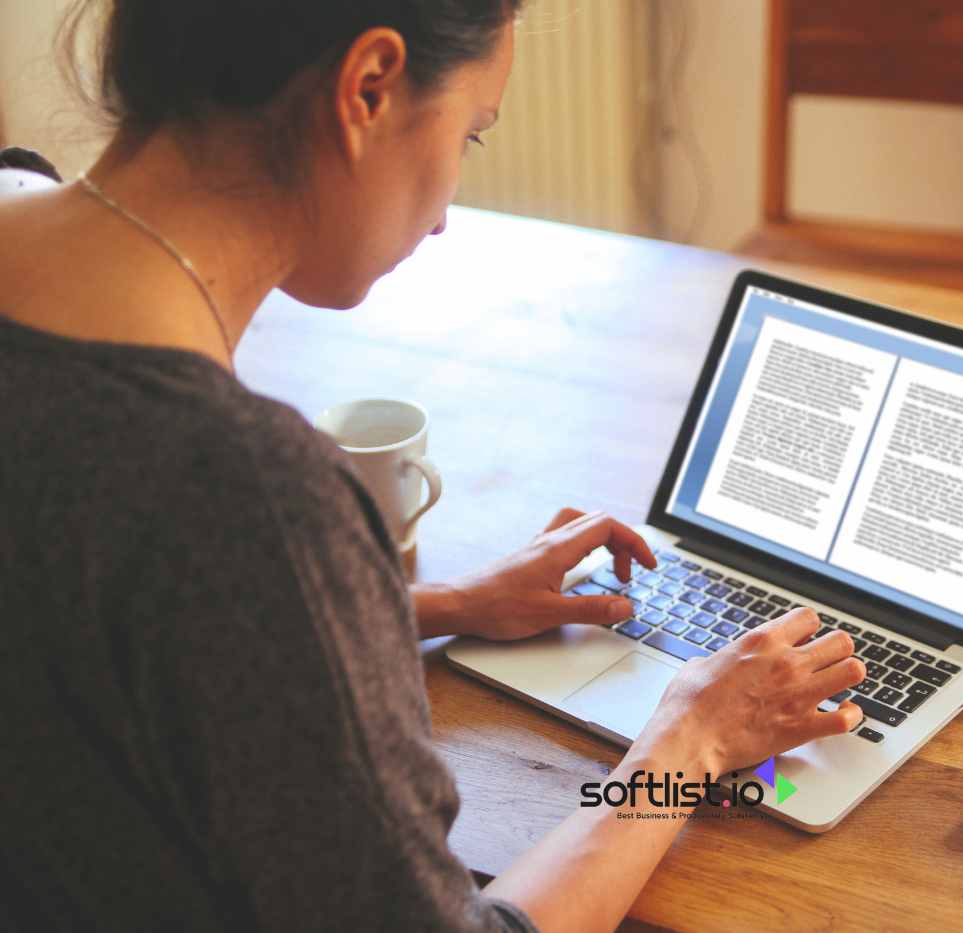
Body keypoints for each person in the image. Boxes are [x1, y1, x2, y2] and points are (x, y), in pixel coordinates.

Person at [0, 1, 868, 931]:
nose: (449, 210)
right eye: (472, 133)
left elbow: (93, 613)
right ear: (367, 89)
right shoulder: (246, 498)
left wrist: (423, 604)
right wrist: (689, 740)